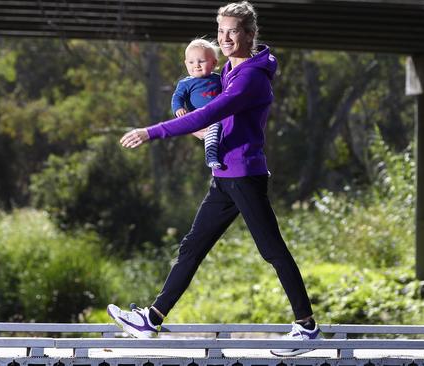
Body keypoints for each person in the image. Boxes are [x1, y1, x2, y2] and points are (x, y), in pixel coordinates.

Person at [108, 1, 322, 357]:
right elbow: (209, 119)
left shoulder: (250, 78)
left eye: (233, 31)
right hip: (225, 175)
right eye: (220, 31)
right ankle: (152, 318)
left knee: (272, 251)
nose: (224, 38)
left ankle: (306, 326)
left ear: (250, 34)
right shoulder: (229, 70)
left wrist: (152, 131)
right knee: (192, 246)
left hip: (244, 176)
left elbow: (210, 113)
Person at [171, 39, 223, 169]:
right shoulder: (186, 83)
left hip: (220, 114)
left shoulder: (219, 79)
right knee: (214, 127)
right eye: (191, 62)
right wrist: (179, 109)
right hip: (202, 118)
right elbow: (177, 97)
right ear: (185, 63)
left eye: (201, 61)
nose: (196, 65)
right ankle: (210, 155)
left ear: (214, 63)